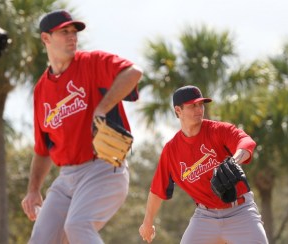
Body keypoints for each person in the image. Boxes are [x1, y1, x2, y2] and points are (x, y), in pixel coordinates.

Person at [21, 9, 142, 244]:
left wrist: (102, 108)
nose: (72, 36)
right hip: (67, 177)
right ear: (46, 38)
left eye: (74, 32)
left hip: (104, 168)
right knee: (41, 239)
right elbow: (44, 147)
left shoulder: (91, 63)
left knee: (77, 225)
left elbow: (133, 72)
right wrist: (33, 189)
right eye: (64, 32)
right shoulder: (41, 90)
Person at [139, 85, 268, 244]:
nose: (199, 109)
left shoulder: (217, 130)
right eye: (193, 105)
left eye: (201, 104)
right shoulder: (171, 151)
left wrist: (234, 160)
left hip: (240, 212)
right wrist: (147, 222)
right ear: (178, 110)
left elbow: (246, 142)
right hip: (205, 217)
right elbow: (157, 190)